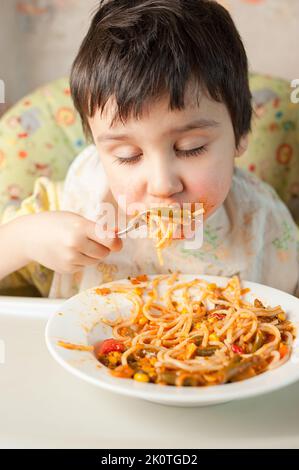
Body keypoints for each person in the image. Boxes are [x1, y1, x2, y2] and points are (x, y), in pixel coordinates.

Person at [0, 0, 298, 298]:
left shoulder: (260, 221)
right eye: (127, 155)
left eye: (190, 148)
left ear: (240, 135)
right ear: (99, 151)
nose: (162, 184)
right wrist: (24, 240)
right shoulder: (70, 208)